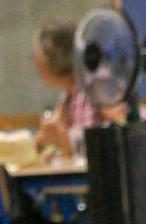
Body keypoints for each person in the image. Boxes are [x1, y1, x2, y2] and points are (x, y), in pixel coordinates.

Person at [33, 19, 128, 156]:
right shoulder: (68, 97)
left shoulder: (98, 87)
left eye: (38, 56)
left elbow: (125, 136)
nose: (35, 64)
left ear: (53, 55)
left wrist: (65, 141)